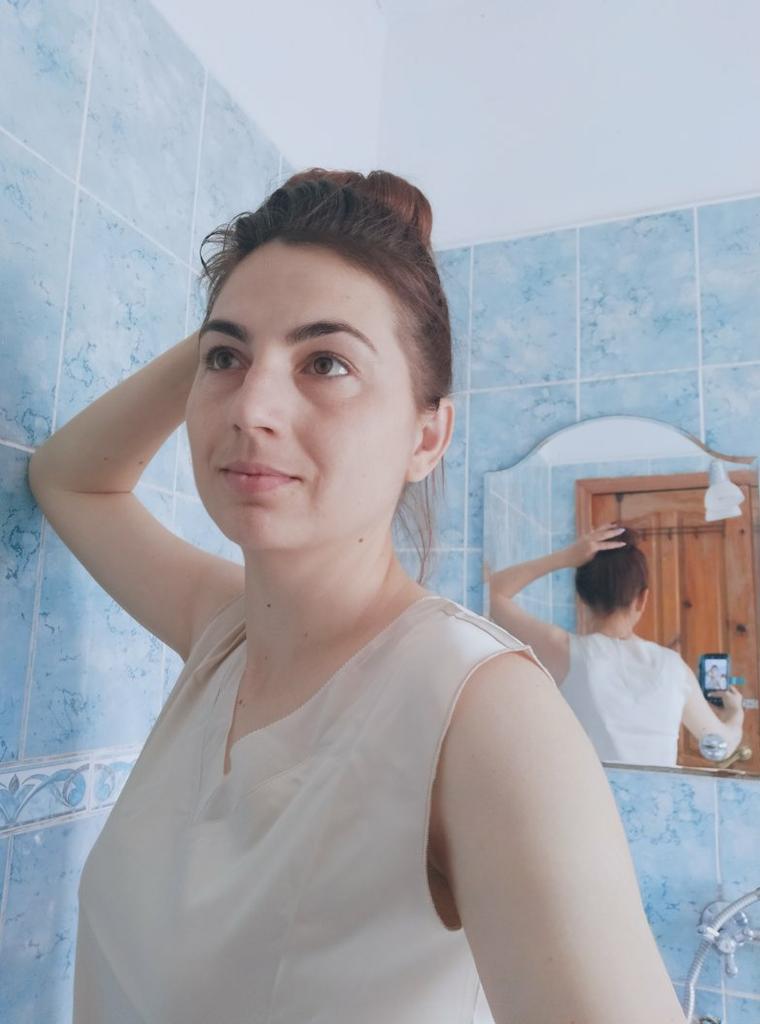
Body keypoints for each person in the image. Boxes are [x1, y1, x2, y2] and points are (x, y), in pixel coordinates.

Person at [28, 170, 687, 1023]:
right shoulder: (223, 635)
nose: (252, 407)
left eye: (327, 363)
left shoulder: (485, 715)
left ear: (427, 435)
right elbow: (68, 479)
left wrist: (254, 319)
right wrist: (253, 304)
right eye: (225, 360)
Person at [485, 523, 745, 768]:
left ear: (582, 597)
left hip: (582, 797)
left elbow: (490, 593)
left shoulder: (565, 652)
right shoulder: (674, 668)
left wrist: (565, 557)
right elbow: (721, 746)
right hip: (653, 800)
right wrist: (736, 714)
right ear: (642, 599)